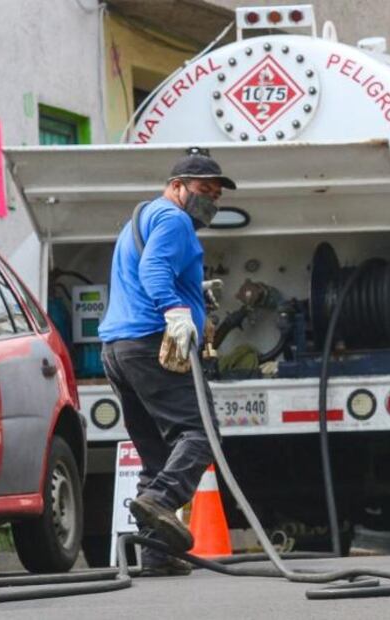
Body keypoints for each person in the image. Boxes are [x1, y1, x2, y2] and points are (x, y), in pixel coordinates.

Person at [99, 148, 235, 576]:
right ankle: (160, 500)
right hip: (149, 342)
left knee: (157, 452)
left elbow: (146, 268)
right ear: (177, 186)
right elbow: (154, 269)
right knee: (201, 432)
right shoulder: (174, 219)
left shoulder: (143, 217)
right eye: (202, 190)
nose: (209, 201)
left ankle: (158, 554)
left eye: (215, 194)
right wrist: (176, 309)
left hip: (118, 350)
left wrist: (195, 295)